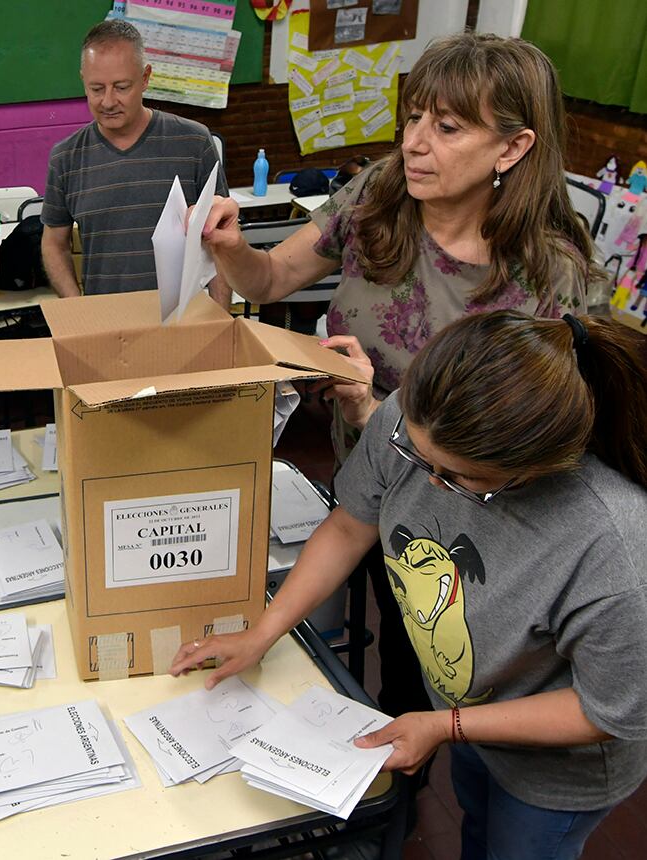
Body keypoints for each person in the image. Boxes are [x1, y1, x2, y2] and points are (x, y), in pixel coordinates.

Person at [199, 33, 601, 716]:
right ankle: (405, 773)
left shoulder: (550, 282)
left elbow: (550, 455)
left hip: (474, 532)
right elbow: (271, 279)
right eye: (414, 117)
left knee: (451, 675)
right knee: (401, 661)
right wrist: (233, 250)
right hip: (369, 490)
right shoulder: (381, 193)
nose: (415, 141)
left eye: (446, 127)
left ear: (512, 148)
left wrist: (376, 408)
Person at [172, 310, 647, 860]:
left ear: (534, 470)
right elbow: (352, 524)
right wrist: (264, 631)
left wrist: (446, 725)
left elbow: (604, 712)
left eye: (459, 479)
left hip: (558, 768)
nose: (426, 481)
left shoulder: (615, 549)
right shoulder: (415, 421)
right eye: (414, 454)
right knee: (477, 824)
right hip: (471, 710)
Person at [41, 19, 227, 297]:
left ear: (145, 78)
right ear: (83, 80)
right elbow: (54, 243)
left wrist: (221, 320)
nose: (107, 101)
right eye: (96, 89)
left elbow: (222, 239)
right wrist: (77, 308)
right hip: (107, 323)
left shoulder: (194, 143)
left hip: (186, 321)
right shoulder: (66, 158)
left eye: (121, 87)